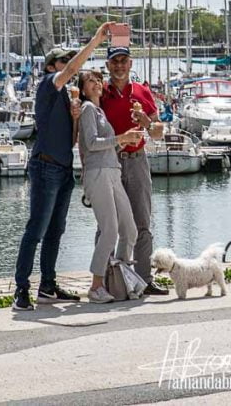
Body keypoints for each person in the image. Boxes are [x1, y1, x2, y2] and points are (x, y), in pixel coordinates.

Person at [12, 22, 115, 311]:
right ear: (50, 67)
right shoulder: (47, 85)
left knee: (55, 231)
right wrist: (96, 40)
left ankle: (47, 286)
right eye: (63, 61)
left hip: (63, 169)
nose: (69, 65)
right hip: (45, 167)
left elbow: (70, 140)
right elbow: (71, 71)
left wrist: (73, 116)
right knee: (36, 229)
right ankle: (22, 289)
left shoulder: (67, 98)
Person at [100, 45, 167, 294]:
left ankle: (144, 280)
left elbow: (159, 133)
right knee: (107, 225)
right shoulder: (100, 93)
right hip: (110, 162)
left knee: (142, 222)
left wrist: (147, 123)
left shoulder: (142, 92)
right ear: (107, 65)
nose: (119, 65)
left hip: (137, 160)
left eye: (123, 61)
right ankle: (105, 280)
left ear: (131, 64)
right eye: (114, 61)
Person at [77, 70, 141, 303]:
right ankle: (96, 286)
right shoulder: (87, 110)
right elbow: (92, 143)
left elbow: (106, 146)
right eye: (89, 81)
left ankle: (122, 280)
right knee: (110, 229)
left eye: (97, 80)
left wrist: (126, 141)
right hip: (97, 173)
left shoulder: (99, 111)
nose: (95, 83)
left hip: (112, 170)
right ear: (83, 90)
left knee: (130, 229)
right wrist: (121, 138)